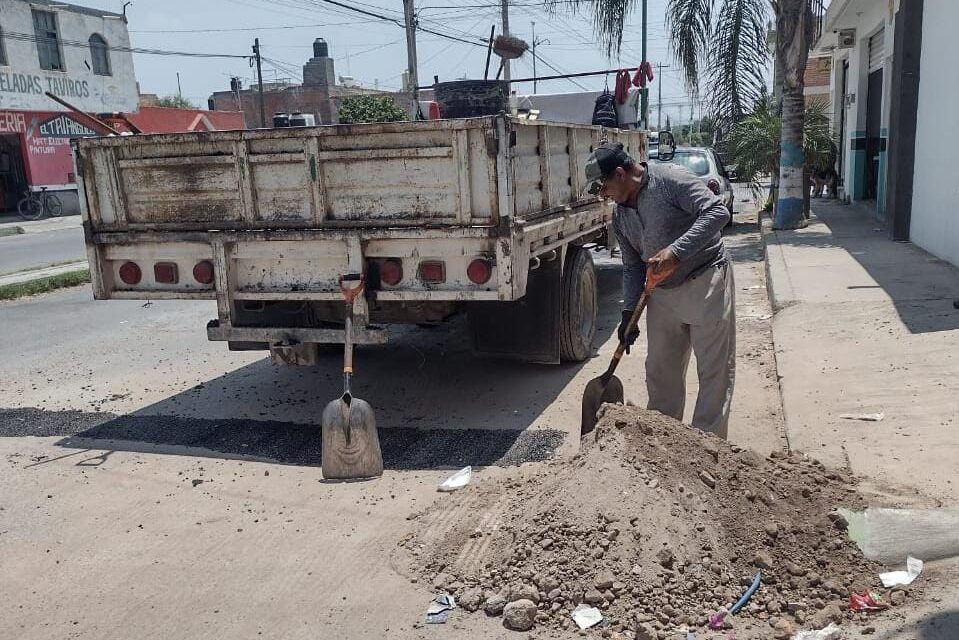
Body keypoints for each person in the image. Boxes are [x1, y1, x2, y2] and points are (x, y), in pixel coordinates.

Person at [584, 142, 735, 437]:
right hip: (662, 295)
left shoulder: (671, 181)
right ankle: (665, 446)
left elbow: (717, 213)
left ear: (620, 174)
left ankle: (709, 447)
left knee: (713, 374)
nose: (604, 196)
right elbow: (632, 266)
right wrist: (628, 312)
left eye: (604, 188)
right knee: (661, 375)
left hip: (706, 280)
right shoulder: (621, 215)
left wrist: (676, 253)